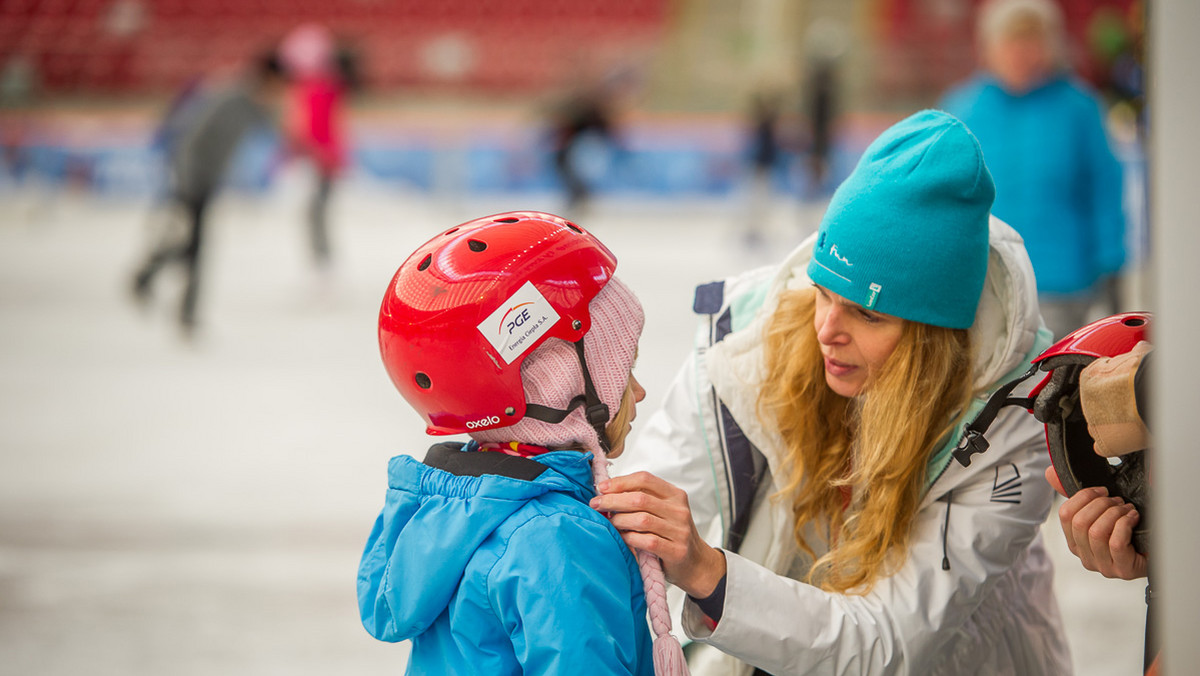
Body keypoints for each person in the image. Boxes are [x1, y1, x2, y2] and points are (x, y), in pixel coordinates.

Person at [599, 110, 1072, 674]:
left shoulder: (1017, 422)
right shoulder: (750, 344)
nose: (826, 329)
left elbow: (887, 640)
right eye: (823, 292)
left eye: (867, 314)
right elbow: (654, 491)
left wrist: (708, 572)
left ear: (934, 337)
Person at [357, 212, 687, 675]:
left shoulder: (452, 515)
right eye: (625, 369)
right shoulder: (556, 537)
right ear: (560, 384)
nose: (638, 392)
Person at [939, 0, 1126, 341]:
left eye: (1032, 41)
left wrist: (1111, 265)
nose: (1021, 53)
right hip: (984, 283)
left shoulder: (1079, 109)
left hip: (1062, 283)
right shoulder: (962, 110)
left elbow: (1104, 191)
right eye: (1011, 41)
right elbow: (943, 198)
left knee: (1052, 386)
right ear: (988, 47)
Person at [130, 52, 285, 336]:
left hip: (208, 181)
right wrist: (188, 181)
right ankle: (185, 311)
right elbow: (191, 137)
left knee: (189, 244)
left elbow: (276, 127)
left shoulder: (255, 104)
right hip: (193, 179)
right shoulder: (229, 98)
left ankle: (146, 277)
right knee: (196, 246)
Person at [278, 23, 351, 270]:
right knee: (315, 213)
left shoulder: (317, 89)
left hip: (321, 159)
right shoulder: (321, 87)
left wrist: (298, 151)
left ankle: (323, 263)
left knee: (316, 214)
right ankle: (321, 262)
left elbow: (311, 128)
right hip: (320, 158)